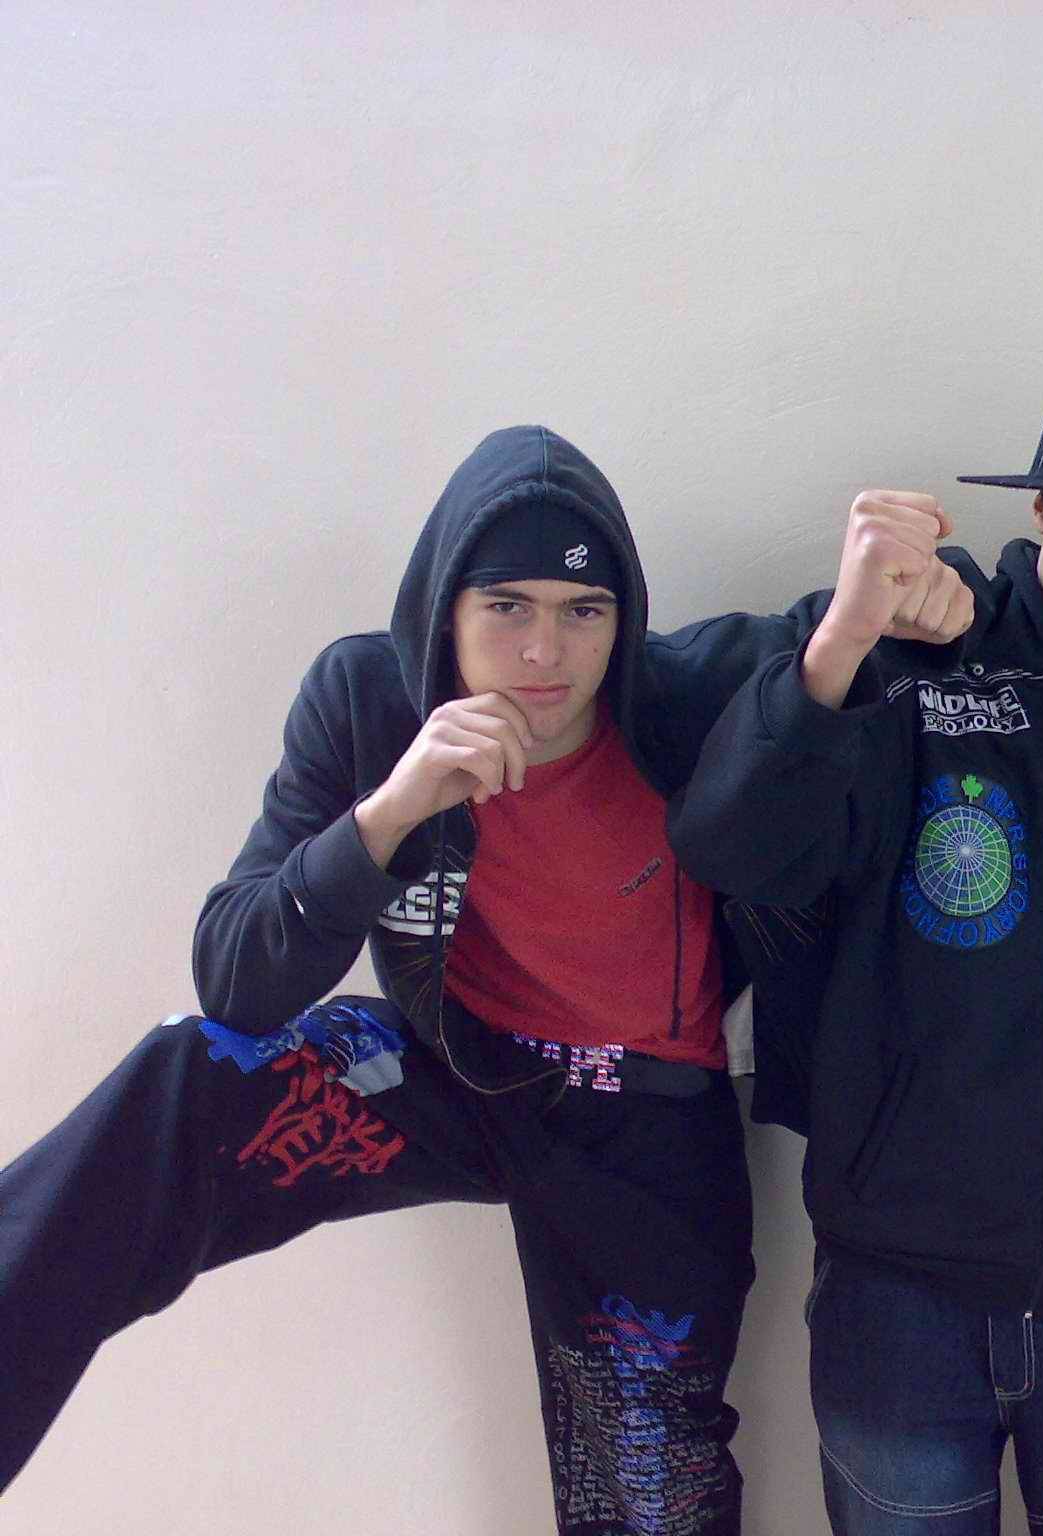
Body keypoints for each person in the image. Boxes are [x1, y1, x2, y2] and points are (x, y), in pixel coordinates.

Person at [0, 425, 830, 1535]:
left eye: (583, 611)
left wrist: (918, 582)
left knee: (644, 1486)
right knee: (194, 1071)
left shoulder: (686, 695)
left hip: (646, 1124)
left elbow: (860, 635)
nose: (545, 651)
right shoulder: (367, 700)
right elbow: (237, 975)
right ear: (444, 609)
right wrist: (388, 814)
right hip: (456, 1077)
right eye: (507, 607)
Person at [671, 369, 1043, 1535]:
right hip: (894, 1295)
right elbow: (730, 851)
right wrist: (842, 637)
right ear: (1037, 510)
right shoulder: (903, 666)